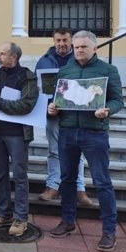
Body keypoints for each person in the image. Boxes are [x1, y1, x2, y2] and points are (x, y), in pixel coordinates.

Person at [47, 30, 124, 252]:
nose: (79, 50)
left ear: (95, 48)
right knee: (67, 179)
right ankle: (68, 220)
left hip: (95, 133)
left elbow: (118, 100)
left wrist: (108, 110)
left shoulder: (108, 70)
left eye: (84, 47)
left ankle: (109, 231)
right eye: (77, 46)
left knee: (102, 182)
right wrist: (53, 108)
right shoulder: (66, 70)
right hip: (68, 131)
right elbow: (58, 100)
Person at [0, 42, 38, 237]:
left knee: (20, 176)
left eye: (2, 54)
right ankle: (4, 214)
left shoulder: (27, 76)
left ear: (14, 57)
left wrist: (0, 102)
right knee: (0, 175)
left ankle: (21, 218)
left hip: (17, 135)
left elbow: (26, 105)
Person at [35, 28, 91, 206]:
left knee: (77, 153)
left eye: (65, 40)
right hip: (52, 114)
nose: (61, 44)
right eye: (58, 40)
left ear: (71, 41)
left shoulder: (80, 59)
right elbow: (38, 88)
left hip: (75, 115)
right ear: (53, 41)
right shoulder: (43, 61)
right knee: (54, 151)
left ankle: (79, 189)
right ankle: (53, 186)